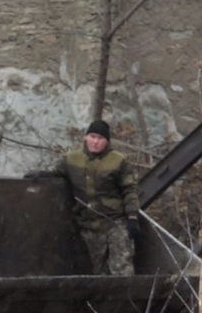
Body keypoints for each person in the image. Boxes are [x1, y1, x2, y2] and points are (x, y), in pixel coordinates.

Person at [49, 119, 140, 277]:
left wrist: (133, 217)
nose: (95, 142)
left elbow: (130, 190)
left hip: (115, 222)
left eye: (100, 138)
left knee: (122, 269)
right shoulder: (71, 159)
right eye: (92, 136)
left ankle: (125, 299)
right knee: (96, 272)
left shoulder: (118, 161)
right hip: (88, 224)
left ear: (107, 141)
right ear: (85, 138)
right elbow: (55, 173)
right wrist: (42, 176)